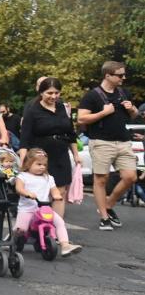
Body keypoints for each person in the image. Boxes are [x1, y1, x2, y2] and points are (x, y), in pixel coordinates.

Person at [77, 61, 139, 230]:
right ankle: (104, 217)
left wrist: (132, 109)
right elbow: (81, 119)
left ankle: (108, 205)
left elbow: (133, 116)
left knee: (130, 177)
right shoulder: (92, 96)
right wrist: (103, 113)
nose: (123, 78)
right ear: (108, 75)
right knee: (101, 179)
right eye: (120, 75)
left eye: (124, 74)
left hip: (123, 141)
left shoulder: (124, 93)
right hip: (101, 141)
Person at [19, 77, 81, 219]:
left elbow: (71, 133)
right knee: (42, 191)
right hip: (41, 155)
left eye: (56, 93)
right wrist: (24, 160)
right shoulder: (32, 110)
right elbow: (25, 138)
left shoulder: (63, 108)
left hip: (61, 153)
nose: (53, 96)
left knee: (60, 192)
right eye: (49, 93)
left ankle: (57, 228)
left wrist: (76, 154)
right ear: (41, 92)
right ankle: (39, 223)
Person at [14, 148, 82, 256]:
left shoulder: (49, 178)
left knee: (59, 222)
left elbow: (54, 189)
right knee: (21, 229)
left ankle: (65, 245)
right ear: (28, 164)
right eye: (38, 164)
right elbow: (19, 188)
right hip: (27, 209)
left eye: (44, 165)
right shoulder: (23, 176)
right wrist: (26, 193)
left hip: (43, 209)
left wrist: (56, 195)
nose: (42, 167)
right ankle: (11, 241)